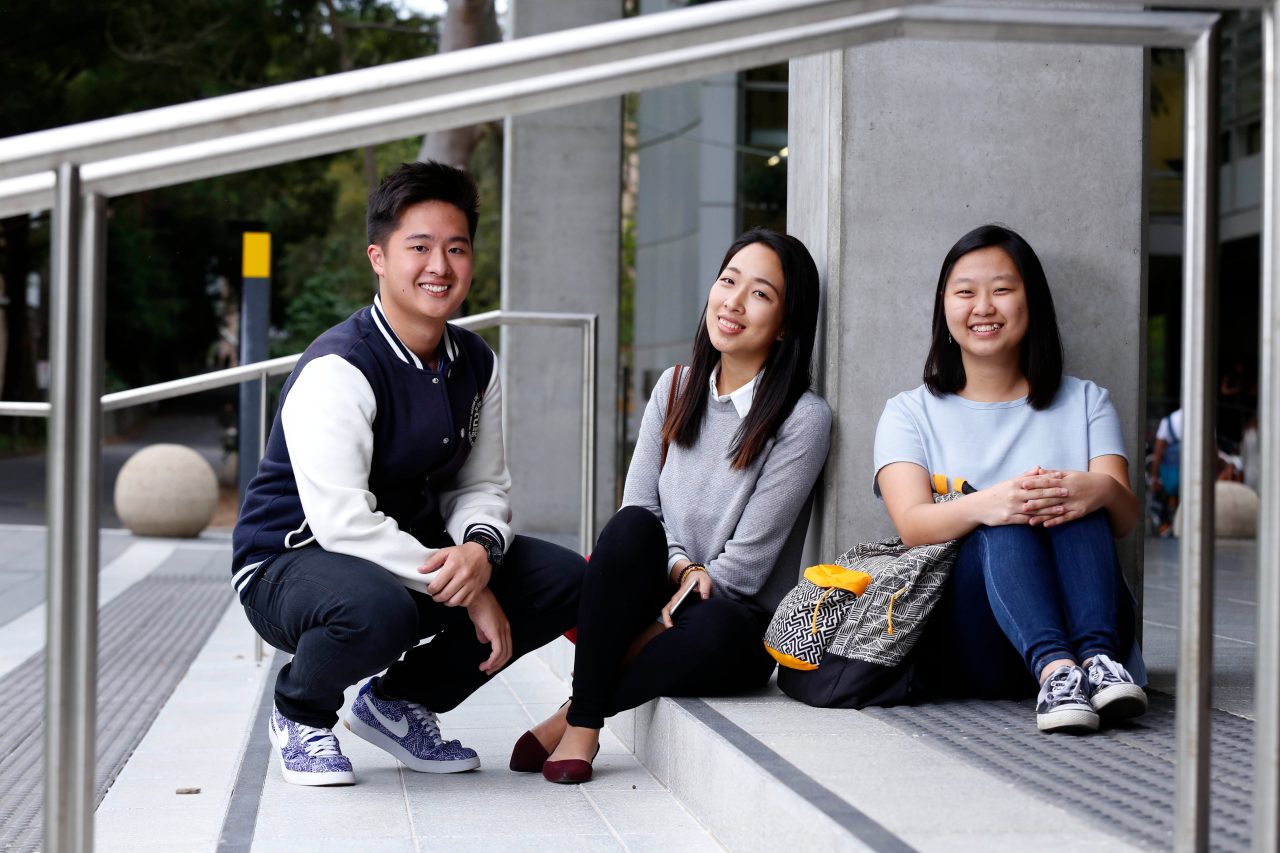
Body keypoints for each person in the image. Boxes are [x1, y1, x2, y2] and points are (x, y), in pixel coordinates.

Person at [231, 161, 586, 786]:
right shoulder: (339, 367)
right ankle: (300, 714)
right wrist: (471, 588)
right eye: (418, 248)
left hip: (409, 557)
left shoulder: (475, 361)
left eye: (456, 248)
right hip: (292, 563)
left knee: (559, 579)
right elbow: (341, 523)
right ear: (378, 257)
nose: (439, 267)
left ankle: (397, 703)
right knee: (376, 610)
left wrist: (480, 549)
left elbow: (480, 485)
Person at [510, 227, 831, 783]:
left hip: (729, 620)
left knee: (718, 626)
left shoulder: (802, 419)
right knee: (631, 528)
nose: (733, 301)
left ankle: (577, 715)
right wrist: (682, 567)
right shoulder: (675, 387)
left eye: (759, 293)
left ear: (784, 326)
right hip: (657, 588)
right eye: (728, 281)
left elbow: (748, 567)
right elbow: (640, 506)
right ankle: (586, 718)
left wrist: (683, 601)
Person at [874, 224, 1147, 734]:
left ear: (1032, 300)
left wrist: (1100, 490)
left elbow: (1126, 519)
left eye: (1001, 289)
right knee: (1011, 514)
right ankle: (1056, 669)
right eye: (965, 292)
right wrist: (993, 503)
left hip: (1090, 620)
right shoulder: (908, 413)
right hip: (972, 640)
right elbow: (913, 525)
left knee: (1073, 499)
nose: (983, 307)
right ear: (945, 307)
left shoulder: (1087, 401)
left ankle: (1096, 664)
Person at [1150, 407, 1182, 536]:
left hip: (1172, 475)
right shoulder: (1204, 419)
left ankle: (1165, 526)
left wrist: (1154, 476)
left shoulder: (1168, 421)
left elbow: (1158, 454)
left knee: (1164, 498)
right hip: (1196, 477)